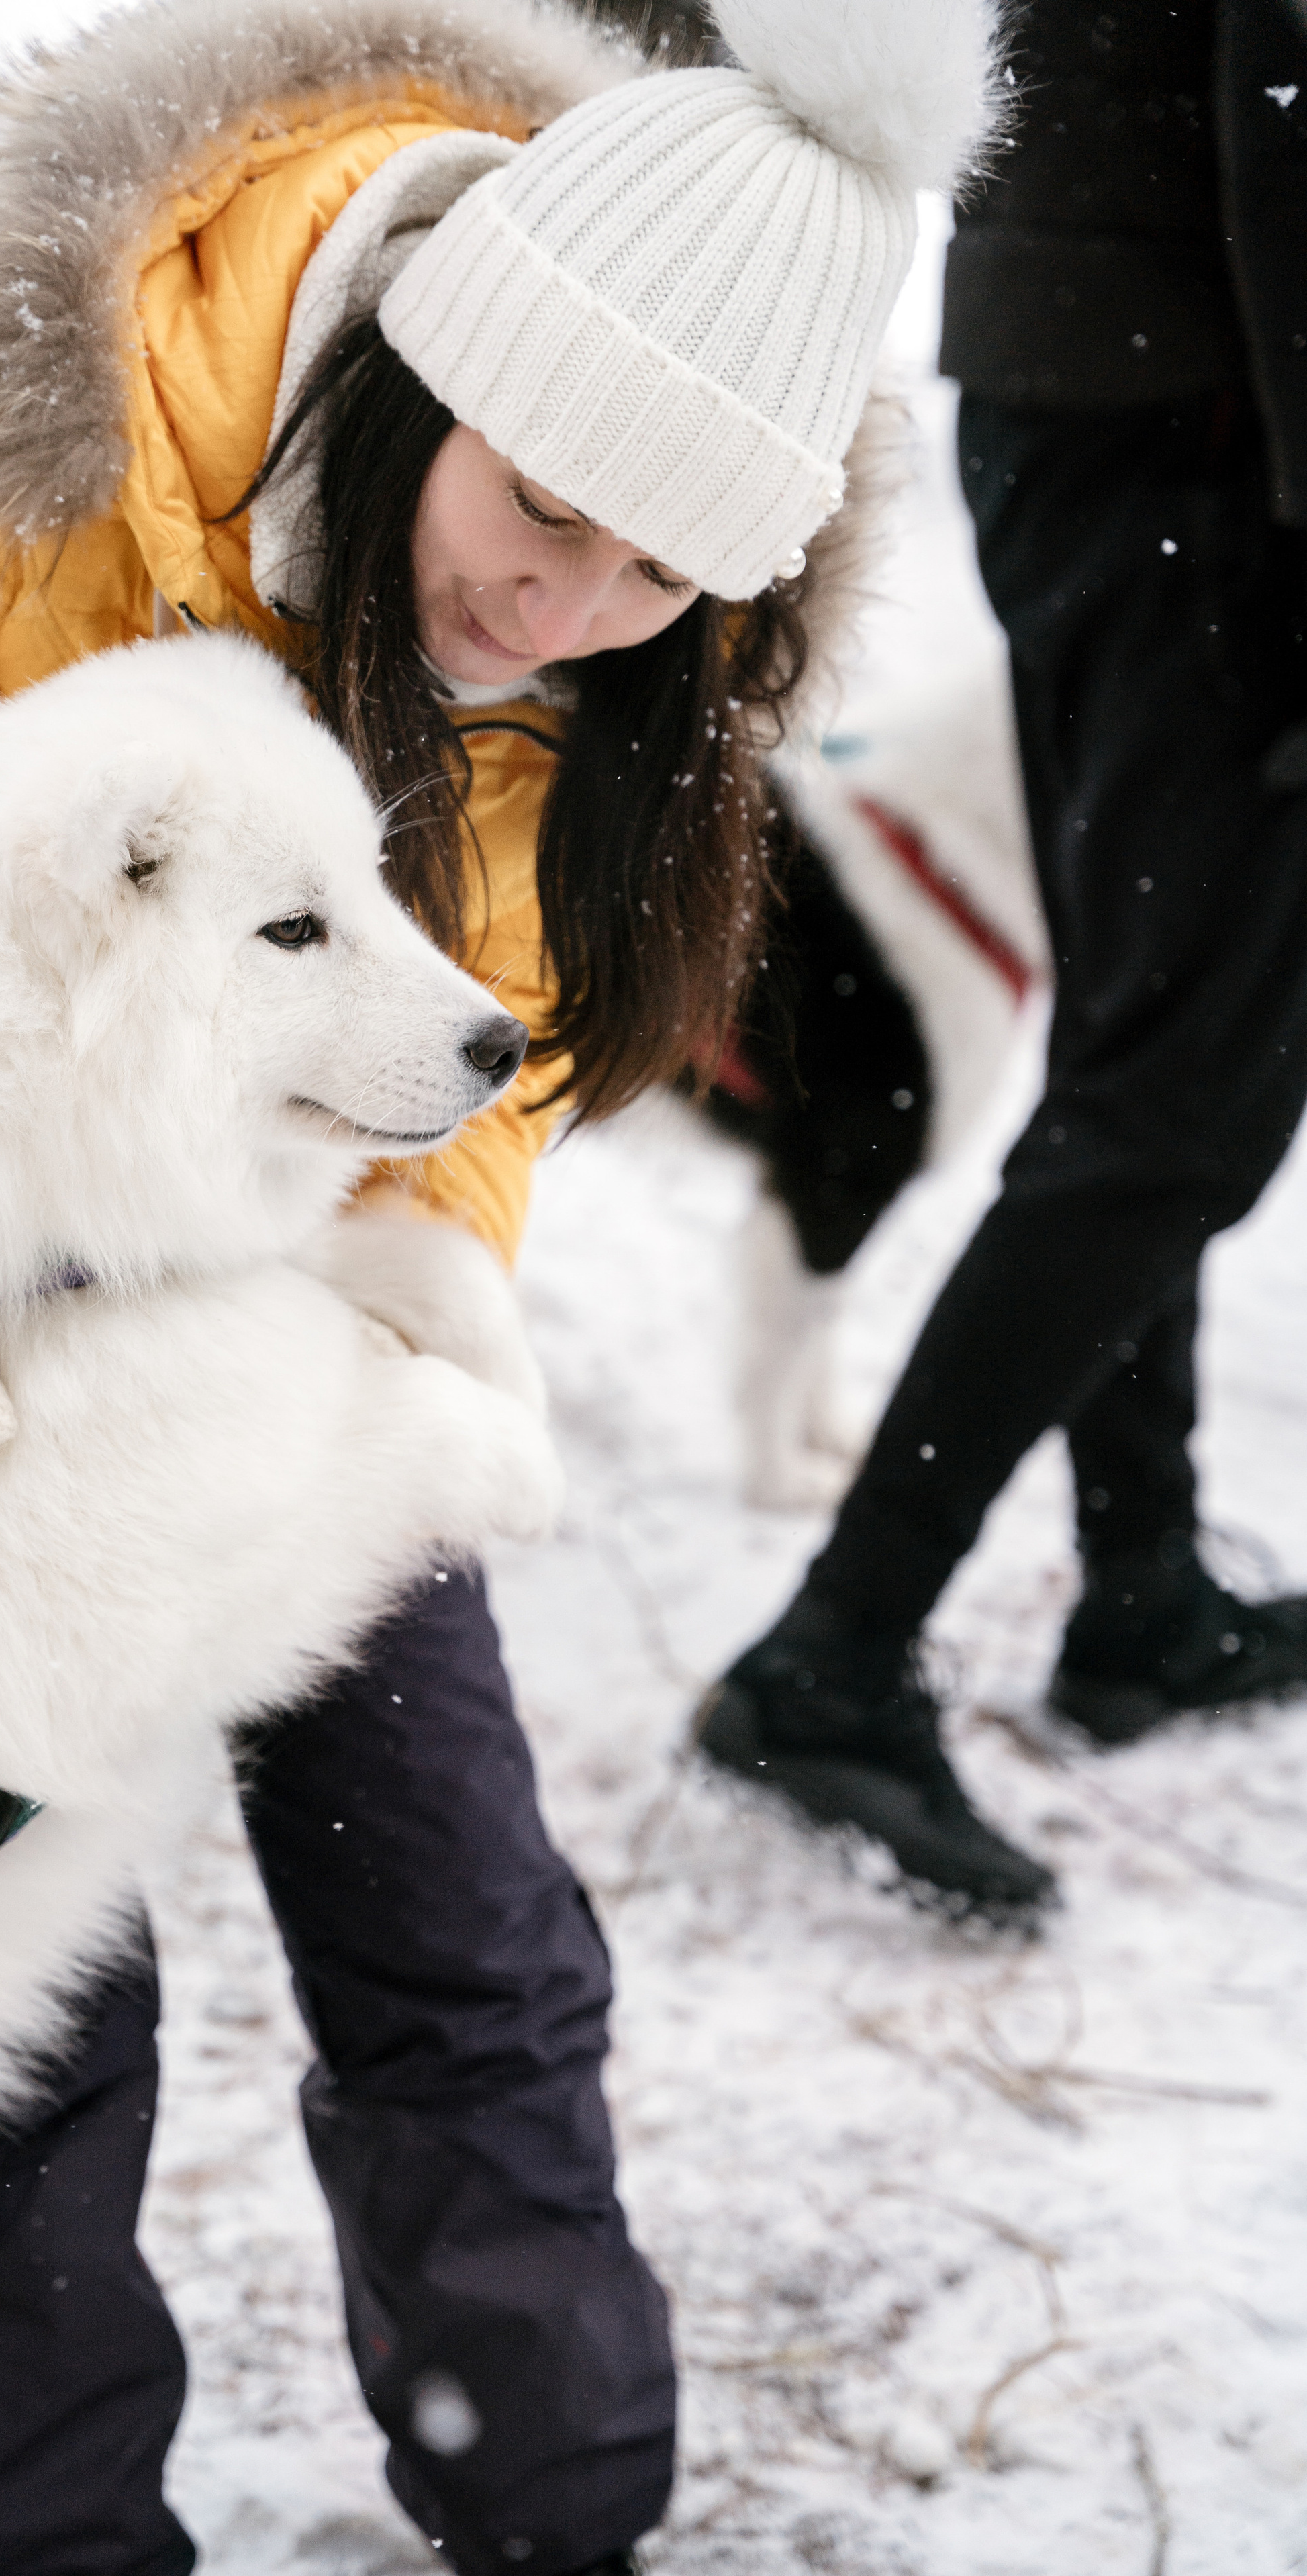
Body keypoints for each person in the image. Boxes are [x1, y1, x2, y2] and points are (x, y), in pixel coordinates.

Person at [0, 0, 1002, 2566]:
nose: (569, 606)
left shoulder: (637, 676)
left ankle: (557, 2509)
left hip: (283, 1325)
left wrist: (427, 1270)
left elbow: (492, 1037)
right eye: (546, 510)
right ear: (425, 363)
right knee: (13, 2017)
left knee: (457, 1916)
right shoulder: (6, 453)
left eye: (668, 567)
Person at [699, 0, 1307, 1921]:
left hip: (1118, 376)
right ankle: (835, 1657)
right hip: (1211, 430)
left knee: (1142, 1050)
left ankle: (1140, 1585)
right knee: (1183, 1108)